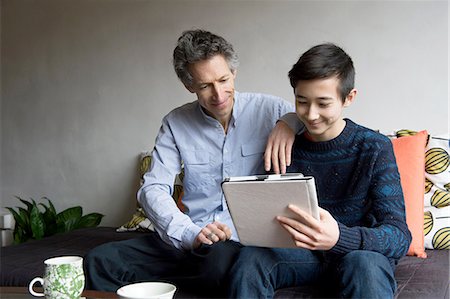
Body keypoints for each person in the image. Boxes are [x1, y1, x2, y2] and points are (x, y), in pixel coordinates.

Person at [83, 29, 303, 295]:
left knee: (219, 263)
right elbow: (152, 189)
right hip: (188, 237)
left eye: (223, 79)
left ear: (234, 72)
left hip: (237, 244)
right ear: (189, 86)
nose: (219, 94)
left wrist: (290, 122)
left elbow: (321, 122)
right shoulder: (175, 123)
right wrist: (189, 234)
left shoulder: (273, 111)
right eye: (204, 86)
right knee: (100, 261)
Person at [228, 43, 412, 299]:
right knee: (251, 258)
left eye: (323, 103)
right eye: (302, 102)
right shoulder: (286, 145)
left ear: (349, 98)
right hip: (303, 256)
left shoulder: (374, 148)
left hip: (358, 256)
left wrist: (339, 237)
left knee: (365, 266)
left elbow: (399, 236)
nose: (311, 115)